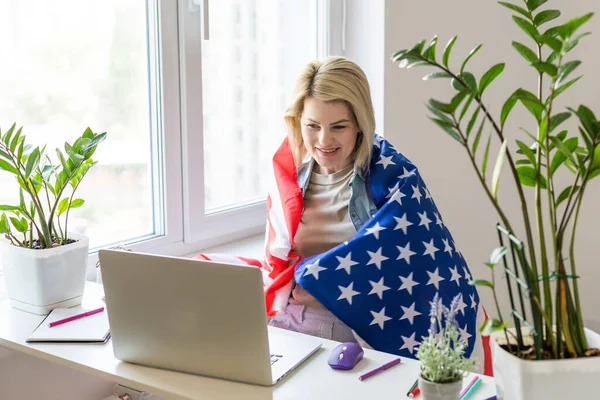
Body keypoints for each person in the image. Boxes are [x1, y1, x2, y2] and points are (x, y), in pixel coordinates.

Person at [197, 56, 492, 375]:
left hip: (355, 324)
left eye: (338, 127)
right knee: (201, 283)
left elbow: (411, 269)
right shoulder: (288, 173)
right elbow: (278, 261)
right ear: (298, 122)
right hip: (294, 312)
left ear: (360, 124)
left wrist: (326, 286)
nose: (323, 141)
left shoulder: (396, 180)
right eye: (312, 126)